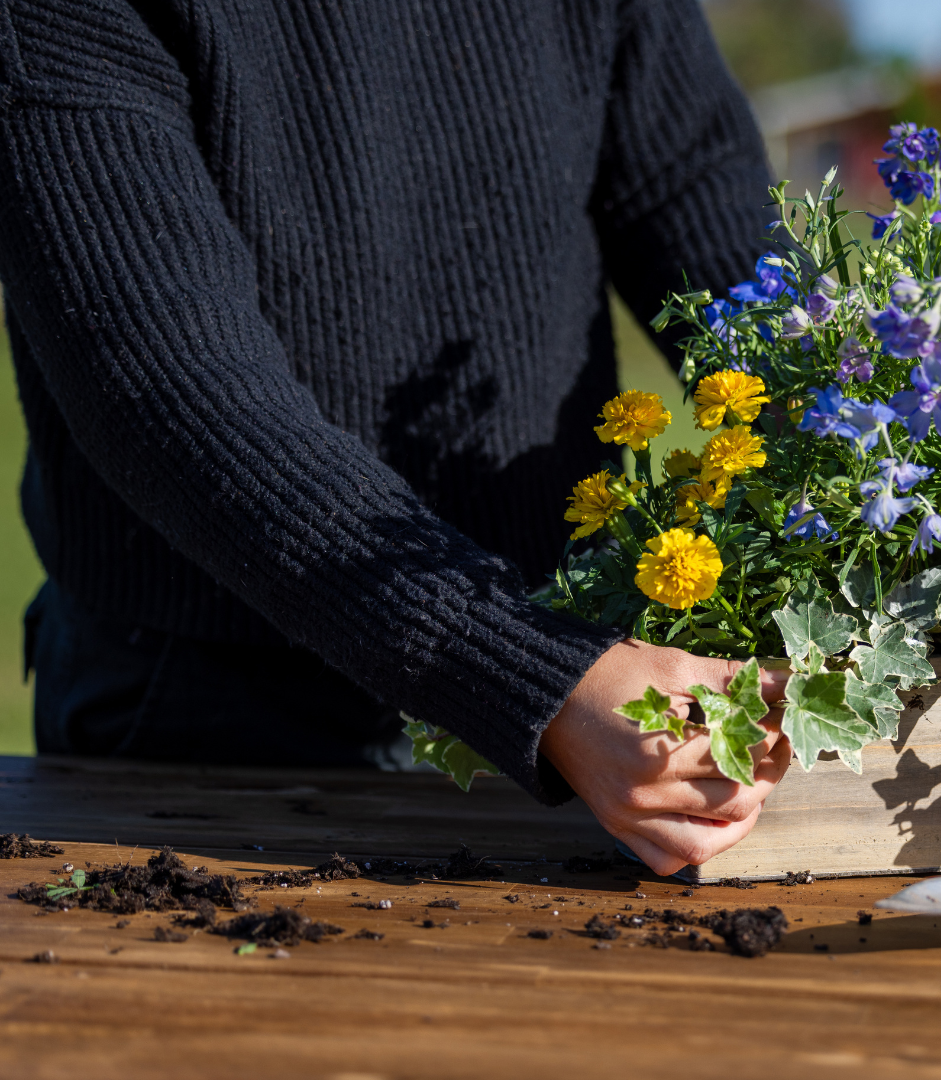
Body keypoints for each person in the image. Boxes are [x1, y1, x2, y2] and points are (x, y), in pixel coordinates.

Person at [0, 0, 791, 875]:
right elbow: (167, 380)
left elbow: (695, 191)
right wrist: (531, 668)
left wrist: (883, 466)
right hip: (216, 704)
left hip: (588, 676)